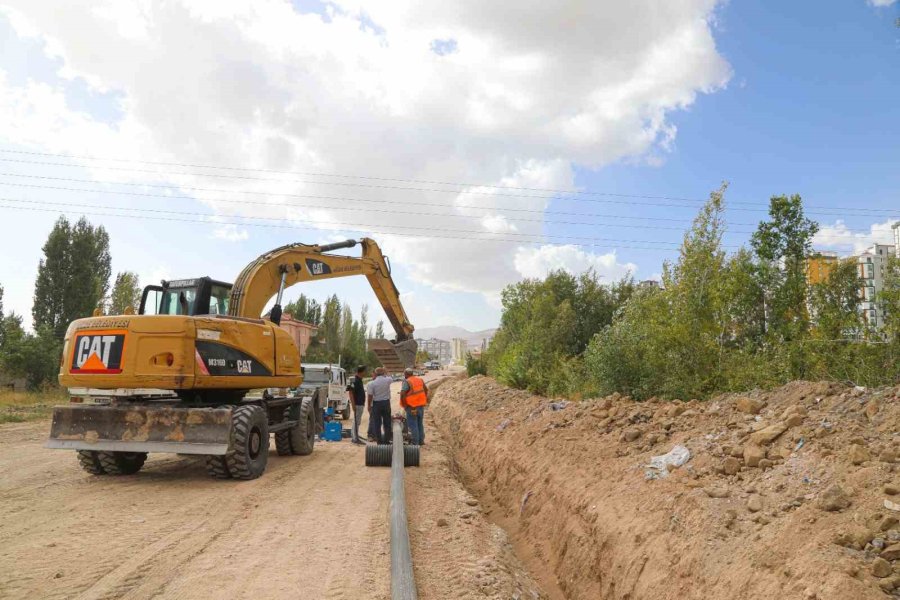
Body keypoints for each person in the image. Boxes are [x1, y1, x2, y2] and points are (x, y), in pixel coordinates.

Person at [400, 368, 428, 446]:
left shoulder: (407, 381)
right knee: (419, 423)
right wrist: (423, 399)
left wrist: (405, 405)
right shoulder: (420, 380)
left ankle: (415, 443)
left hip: (412, 407)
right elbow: (426, 390)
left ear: (406, 374)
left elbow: (403, 393)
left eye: (404, 374)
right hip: (420, 406)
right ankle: (421, 441)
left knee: (413, 424)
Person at [366, 366, 394, 443]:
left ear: (375, 373)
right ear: (383, 373)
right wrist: (385, 371)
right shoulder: (387, 380)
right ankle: (386, 440)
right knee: (387, 422)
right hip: (386, 403)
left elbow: (370, 396)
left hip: (376, 404)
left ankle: (379, 441)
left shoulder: (371, 383)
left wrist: (369, 406)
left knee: (377, 423)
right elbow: (390, 377)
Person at [345, 365, 367, 445]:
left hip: (360, 403)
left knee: (357, 421)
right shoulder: (355, 380)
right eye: (365, 371)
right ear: (362, 371)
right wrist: (353, 405)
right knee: (356, 421)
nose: (365, 372)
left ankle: (355, 435)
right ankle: (355, 438)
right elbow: (350, 393)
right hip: (357, 404)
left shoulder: (359, 380)